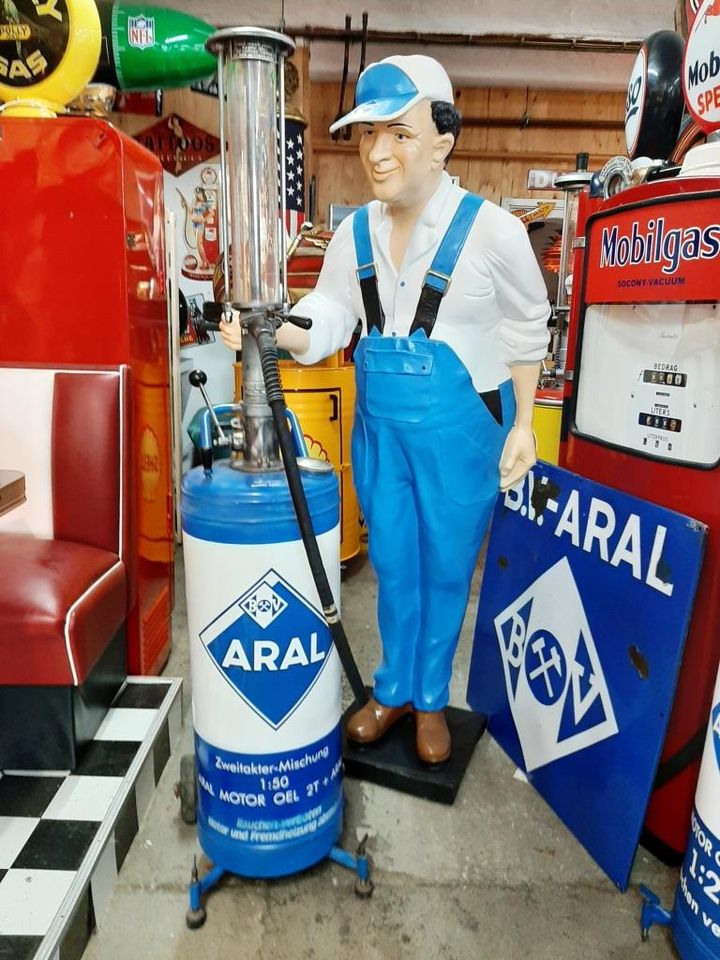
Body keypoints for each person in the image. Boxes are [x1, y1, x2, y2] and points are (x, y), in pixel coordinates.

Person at [220, 55, 551, 765]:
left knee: (445, 570)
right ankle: (394, 687)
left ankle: (431, 699)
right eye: (367, 135)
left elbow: (529, 325)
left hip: (462, 433)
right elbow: (334, 311)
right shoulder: (354, 234)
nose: (376, 152)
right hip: (382, 433)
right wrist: (275, 328)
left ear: (443, 139)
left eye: (398, 133)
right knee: (395, 563)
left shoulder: (494, 232)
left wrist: (523, 424)